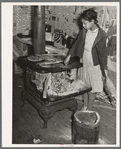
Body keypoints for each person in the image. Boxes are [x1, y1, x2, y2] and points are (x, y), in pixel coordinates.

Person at [64, 8, 108, 111]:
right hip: (84, 60)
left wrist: (104, 69)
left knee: (91, 89)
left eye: (85, 23)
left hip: (94, 64)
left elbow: (103, 54)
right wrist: (69, 56)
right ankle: (84, 106)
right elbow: (76, 43)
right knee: (84, 86)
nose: (83, 26)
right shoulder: (84, 31)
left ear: (92, 21)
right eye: (82, 23)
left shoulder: (101, 35)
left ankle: (89, 109)